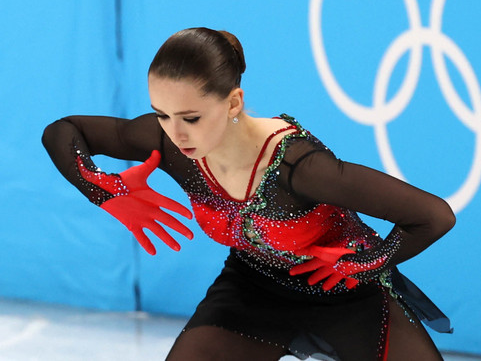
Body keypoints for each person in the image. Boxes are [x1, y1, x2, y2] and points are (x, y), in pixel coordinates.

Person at [42, 27, 456, 361]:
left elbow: (434, 216)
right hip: (253, 291)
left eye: (190, 117)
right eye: (163, 114)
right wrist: (102, 188)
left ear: (234, 102)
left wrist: (367, 262)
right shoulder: (168, 142)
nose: (175, 132)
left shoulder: (299, 167)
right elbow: (63, 131)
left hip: (352, 296)